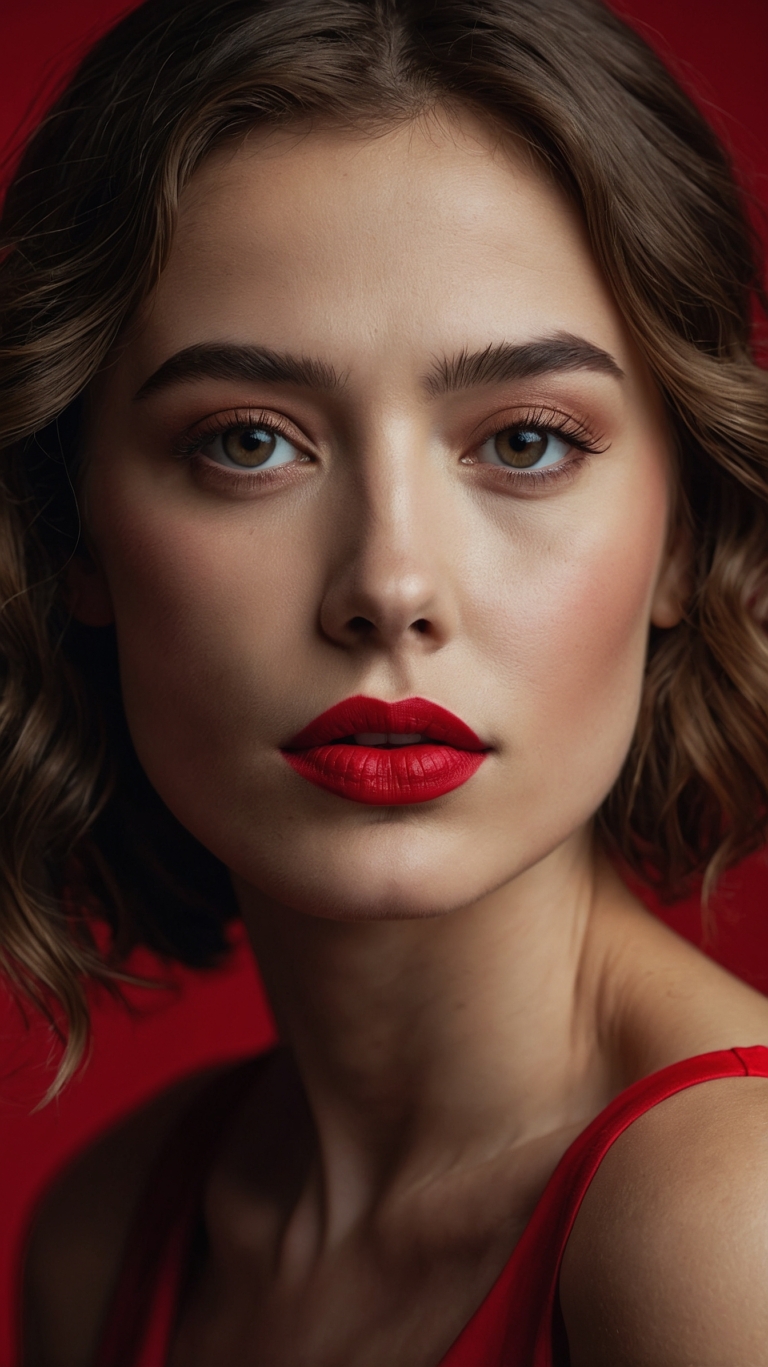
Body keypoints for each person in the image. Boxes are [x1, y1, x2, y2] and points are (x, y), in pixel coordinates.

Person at [3, 0, 768, 1362]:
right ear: (76, 534)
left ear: (683, 535)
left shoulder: (728, 1231)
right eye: (249, 441)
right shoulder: (103, 1236)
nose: (391, 585)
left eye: (526, 441)